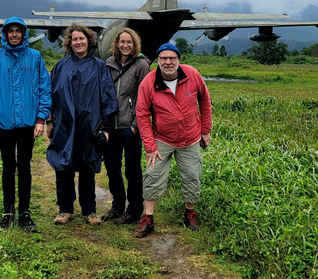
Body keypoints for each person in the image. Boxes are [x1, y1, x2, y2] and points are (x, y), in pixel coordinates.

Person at [134, 42, 212, 238]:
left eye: (172, 58)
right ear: (158, 61)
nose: (168, 62)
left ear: (178, 60)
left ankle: (190, 212)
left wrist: (205, 130)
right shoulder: (148, 82)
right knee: (152, 175)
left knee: (192, 175)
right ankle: (148, 218)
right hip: (162, 138)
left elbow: (205, 100)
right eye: (163, 58)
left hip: (191, 137)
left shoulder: (192, 75)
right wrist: (150, 146)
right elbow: (142, 114)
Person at [0, 17, 52, 232]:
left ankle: (24, 212)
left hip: (28, 123)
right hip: (3, 123)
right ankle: (7, 211)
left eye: (18, 31)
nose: (14, 34)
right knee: (7, 167)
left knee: (24, 166)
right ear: (5, 34)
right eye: (10, 31)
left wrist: (41, 119)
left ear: (24, 34)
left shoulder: (35, 57)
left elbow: (44, 89)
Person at [46, 24, 118, 226]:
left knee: (87, 167)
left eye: (82, 38)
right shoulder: (61, 66)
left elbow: (107, 97)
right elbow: (51, 94)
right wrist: (49, 121)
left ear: (89, 41)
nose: (78, 42)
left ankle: (90, 210)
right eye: (74, 39)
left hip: (90, 125)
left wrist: (106, 128)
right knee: (63, 165)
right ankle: (65, 209)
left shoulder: (98, 66)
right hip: (64, 124)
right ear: (69, 43)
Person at [102, 28, 151, 224]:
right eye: (122, 42)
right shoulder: (109, 64)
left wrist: (136, 125)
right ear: (116, 43)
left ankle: (134, 209)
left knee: (132, 169)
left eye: (129, 42)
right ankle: (117, 204)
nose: (125, 45)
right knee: (112, 167)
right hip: (111, 126)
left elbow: (144, 97)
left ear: (135, 44)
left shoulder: (141, 65)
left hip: (129, 126)